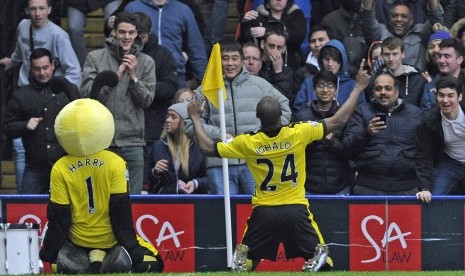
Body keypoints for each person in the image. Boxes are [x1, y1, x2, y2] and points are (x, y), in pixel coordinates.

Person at [186, 59, 370, 272]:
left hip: (264, 210)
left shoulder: (248, 142)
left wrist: (195, 118)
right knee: (323, 259)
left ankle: (243, 261)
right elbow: (338, 120)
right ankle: (315, 261)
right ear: (281, 117)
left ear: (258, 118)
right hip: (296, 208)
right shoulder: (299, 133)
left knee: (247, 263)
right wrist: (358, 88)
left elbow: (207, 147)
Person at [39, 98, 163, 273]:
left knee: (56, 264)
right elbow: (121, 213)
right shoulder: (116, 162)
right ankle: (107, 258)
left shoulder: (60, 166)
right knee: (155, 262)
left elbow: (59, 217)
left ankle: (89, 261)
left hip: (78, 241)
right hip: (111, 240)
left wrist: (50, 250)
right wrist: (134, 251)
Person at [184, 40, 292, 195]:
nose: (229, 63)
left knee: (256, 211)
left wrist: (262, 135)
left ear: (242, 60)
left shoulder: (260, 85)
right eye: (225, 58)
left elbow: (285, 109)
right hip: (219, 162)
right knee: (224, 215)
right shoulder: (206, 90)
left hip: (255, 160)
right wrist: (219, 134)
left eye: (234, 58)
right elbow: (191, 123)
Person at [80, 12, 156, 194]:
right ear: (113, 32)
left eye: (131, 32)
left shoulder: (146, 62)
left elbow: (147, 100)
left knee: (133, 201)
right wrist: (116, 76)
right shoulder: (95, 58)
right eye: (122, 32)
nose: (126, 37)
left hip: (133, 142)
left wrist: (134, 78)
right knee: (101, 198)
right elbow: (87, 96)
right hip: (101, 141)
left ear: (137, 33)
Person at [3, 48, 79, 194]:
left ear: (53, 65)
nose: (42, 73)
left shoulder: (68, 90)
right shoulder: (21, 95)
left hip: (66, 165)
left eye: (45, 68)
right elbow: (7, 128)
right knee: (27, 211)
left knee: (71, 212)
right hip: (35, 168)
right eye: (37, 69)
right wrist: (24, 125)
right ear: (31, 69)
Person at [343, 72, 422, 195]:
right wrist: (367, 133)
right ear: (373, 93)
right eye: (378, 89)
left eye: (388, 88)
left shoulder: (416, 114)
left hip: (407, 187)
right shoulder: (362, 112)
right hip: (368, 187)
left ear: (397, 92)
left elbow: (426, 151)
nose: (383, 92)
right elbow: (347, 148)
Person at [293, 70, 355, 195]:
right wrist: (313, 137)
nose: (325, 90)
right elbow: (295, 152)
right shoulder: (302, 116)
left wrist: (332, 141)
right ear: (314, 90)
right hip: (309, 187)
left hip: (340, 187)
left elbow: (350, 151)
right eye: (321, 85)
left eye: (330, 86)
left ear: (336, 90)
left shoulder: (344, 116)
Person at [125, 0, 207, 87]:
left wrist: (204, 83)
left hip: (176, 74)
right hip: (140, 73)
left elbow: (196, 49)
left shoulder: (183, 10)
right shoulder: (132, 7)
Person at [0, 0, 81, 87]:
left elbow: (74, 71)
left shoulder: (59, 35)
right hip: (25, 86)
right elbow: (20, 51)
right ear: (27, 10)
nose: (37, 13)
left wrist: (59, 92)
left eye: (42, 8)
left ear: (49, 10)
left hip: (47, 88)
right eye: (33, 9)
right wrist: (11, 62)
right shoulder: (23, 26)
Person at [416, 76, 465, 203]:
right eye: (441, 95)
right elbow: (423, 155)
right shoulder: (430, 121)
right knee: (434, 198)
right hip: (450, 162)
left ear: (459, 97)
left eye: (450, 95)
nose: (445, 100)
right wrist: (424, 187)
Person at [360, 0, 444, 72]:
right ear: (389, 20)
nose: (399, 19)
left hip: (415, 85)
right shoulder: (381, 32)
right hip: (386, 84)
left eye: (404, 16)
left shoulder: (421, 33)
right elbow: (367, 19)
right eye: (395, 16)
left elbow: (436, 20)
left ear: (411, 21)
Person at [144, 102, 208, 194]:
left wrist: (195, 183)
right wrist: (155, 172)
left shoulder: (197, 147)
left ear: (184, 122)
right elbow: (148, 180)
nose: (168, 120)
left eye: (173, 117)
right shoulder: (158, 146)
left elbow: (208, 178)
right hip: (165, 201)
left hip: (192, 201)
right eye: (167, 116)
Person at [293, 39, 365, 114]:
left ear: (342, 60)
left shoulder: (353, 86)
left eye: (335, 59)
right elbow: (297, 109)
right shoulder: (309, 82)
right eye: (326, 59)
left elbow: (360, 113)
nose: (330, 63)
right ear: (321, 60)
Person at [239, 0, 306, 70]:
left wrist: (267, 31)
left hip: (290, 64)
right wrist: (245, 24)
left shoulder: (296, 14)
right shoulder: (258, 16)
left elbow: (298, 37)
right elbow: (246, 41)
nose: (279, 0)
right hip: (262, 67)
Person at [365, 36, 426, 106]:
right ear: (381, 55)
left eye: (395, 54)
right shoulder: (374, 81)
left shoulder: (417, 80)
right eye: (387, 54)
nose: (391, 59)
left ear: (403, 54)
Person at [64, 0, 123, 67]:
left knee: (113, 24)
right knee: (74, 28)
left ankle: (107, 66)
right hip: (77, 2)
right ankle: (81, 67)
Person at [320, 0, 366, 79]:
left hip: (363, 73)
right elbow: (327, 53)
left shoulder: (367, 20)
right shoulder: (329, 21)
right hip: (337, 75)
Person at [420, 38, 465, 114]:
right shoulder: (430, 87)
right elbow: (425, 117)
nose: (441, 60)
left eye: (447, 56)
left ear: (460, 60)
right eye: (439, 56)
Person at [292, 25, 330, 95]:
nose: (317, 44)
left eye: (321, 40)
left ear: (331, 41)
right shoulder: (301, 74)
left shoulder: (342, 68)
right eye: (313, 41)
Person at [258, 29, 294, 101]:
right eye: (271, 46)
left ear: (284, 49)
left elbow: (286, 99)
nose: (275, 50)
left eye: (279, 47)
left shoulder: (288, 72)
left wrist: (278, 72)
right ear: (262, 44)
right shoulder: (254, 65)